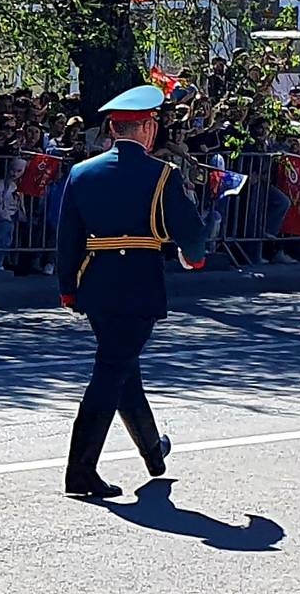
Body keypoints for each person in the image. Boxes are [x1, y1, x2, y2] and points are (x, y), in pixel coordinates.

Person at [56, 85, 208, 498]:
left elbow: (67, 237)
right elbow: (191, 234)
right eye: (153, 123)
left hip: (96, 283)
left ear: (112, 127)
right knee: (111, 372)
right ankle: (80, 469)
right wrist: (194, 258)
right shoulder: (162, 174)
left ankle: (153, 452)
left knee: (123, 371)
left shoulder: (82, 172)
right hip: (138, 285)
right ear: (145, 127)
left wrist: (67, 287)